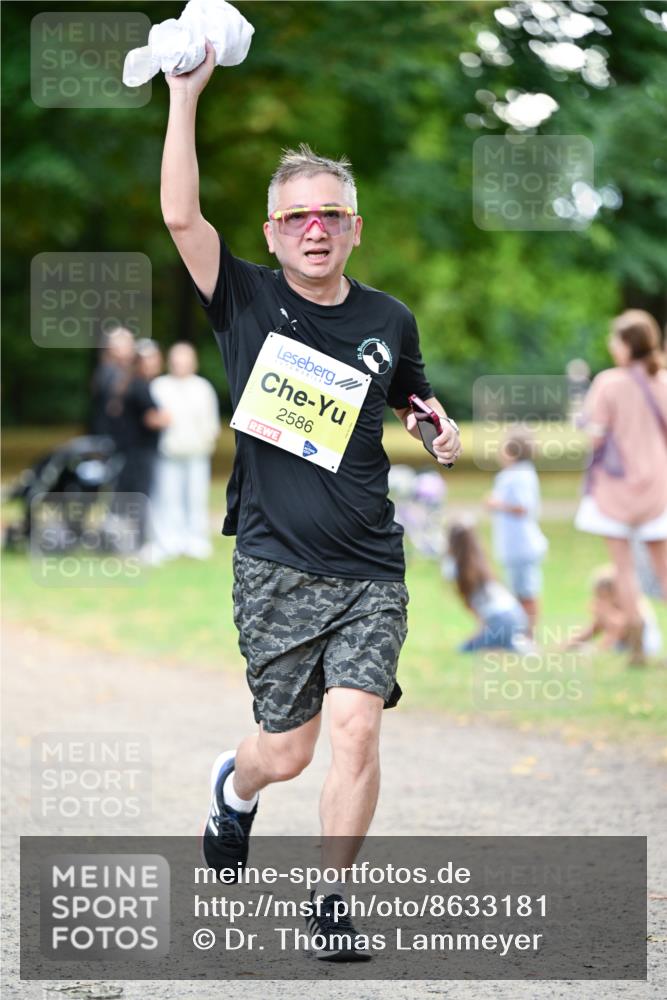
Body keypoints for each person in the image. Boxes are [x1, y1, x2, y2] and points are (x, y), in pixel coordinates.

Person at [160, 42, 461, 960]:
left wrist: (433, 426)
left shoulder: (388, 318)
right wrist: (185, 96)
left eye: (331, 214)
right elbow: (179, 215)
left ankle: (330, 899)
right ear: (273, 231)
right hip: (276, 563)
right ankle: (234, 789)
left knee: (357, 729)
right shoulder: (243, 301)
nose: (315, 229)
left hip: (370, 562)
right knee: (285, 751)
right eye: (298, 217)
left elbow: (409, 394)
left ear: (354, 228)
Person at [574, 309, 667, 665]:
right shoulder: (663, 382)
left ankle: (636, 630)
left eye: (615, 339)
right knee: (663, 566)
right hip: (658, 488)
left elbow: (595, 436)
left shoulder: (609, 383)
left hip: (616, 489)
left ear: (629, 344)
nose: (611, 345)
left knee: (624, 568)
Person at [150, 342, 220, 561]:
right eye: (177, 360)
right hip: (168, 453)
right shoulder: (159, 386)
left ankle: (196, 541)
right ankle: (169, 541)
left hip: (197, 452)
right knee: (167, 498)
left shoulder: (203, 387)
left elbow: (211, 421)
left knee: (195, 498)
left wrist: (207, 440)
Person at [110, 340, 171, 552]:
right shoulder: (140, 386)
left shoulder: (130, 383)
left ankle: (131, 542)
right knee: (140, 497)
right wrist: (168, 418)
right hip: (140, 452)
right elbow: (152, 419)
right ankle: (139, 544)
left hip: (132, 452)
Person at [485, 430, 548, 636]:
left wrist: (497, 504)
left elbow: (523, 506)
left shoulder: (519, 476)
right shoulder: (513, 475)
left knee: (527, 592)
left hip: (523, 546)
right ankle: (519, 633)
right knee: (517, 591)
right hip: (513, 547)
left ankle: (528, 635)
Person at [445, 520, 529, 653]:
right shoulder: (481, 563)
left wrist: (480, 631)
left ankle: (508, 644)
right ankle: (514, 644)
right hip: (518, 615)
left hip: (499, 621)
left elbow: (472, 606)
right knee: (501, 642)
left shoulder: (458, 569)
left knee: (464, 649)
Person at [566, 565, 662, 660]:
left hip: (646, 644)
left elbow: (620, 627)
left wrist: (598, 649)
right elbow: (594, 629)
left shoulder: (630, 603)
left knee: (615, 622)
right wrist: (569, 644)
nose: (599, 600)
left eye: (601, 596)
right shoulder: (609, 609)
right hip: (622, 645)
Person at [89, 326, 136, 439]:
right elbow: (114, 405)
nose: (132, 348)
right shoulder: (108, 372)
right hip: (110, 436)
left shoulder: (122, 371)